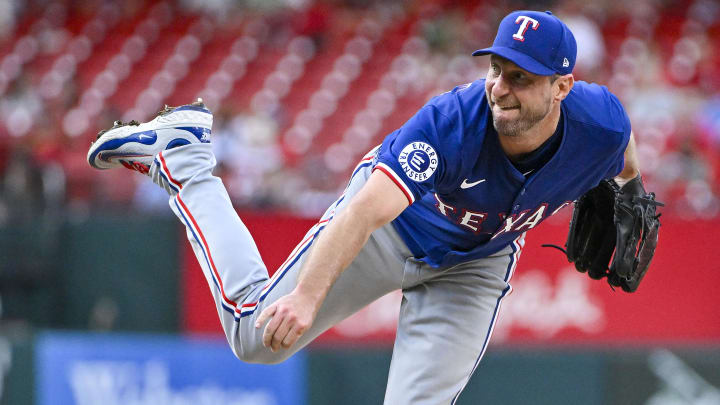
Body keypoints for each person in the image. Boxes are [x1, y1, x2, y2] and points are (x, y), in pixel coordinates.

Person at [88, 10, 642, 404]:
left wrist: (632, 189)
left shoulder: (601, 122)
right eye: (496, 68)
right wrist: (307, 297)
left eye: (520, 77)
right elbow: (365, 211)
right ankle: (184, 160)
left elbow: (622, 149)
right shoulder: (451, 123)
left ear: (563, 86)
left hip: (475, 264)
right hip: (394, 229)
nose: (500, 87)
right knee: (258, 339)